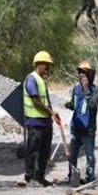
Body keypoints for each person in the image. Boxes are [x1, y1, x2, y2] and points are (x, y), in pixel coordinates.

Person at [22, 50, 61, 187]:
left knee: (44, 151)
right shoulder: (31, 79)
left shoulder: (41, 81)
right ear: (39, 64)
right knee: (33, 150)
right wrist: (50, 111)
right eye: (46, 65)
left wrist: (53, 114)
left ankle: (40, 177)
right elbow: (36, 101)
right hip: (35, 122)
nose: (48, 68)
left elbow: (45, 101)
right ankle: (31, 176)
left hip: (45, 122)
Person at [64, 60, 98, 186]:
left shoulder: (95, 91)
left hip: (88, 129)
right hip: (76, 128)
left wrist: (86, 90)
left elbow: (92, 106)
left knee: (90, 155)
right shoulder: (75, 89)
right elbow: (75, 105)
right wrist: (70, 105)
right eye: (79, 72)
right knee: (72, 155)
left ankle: (90, 178)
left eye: (83, 72)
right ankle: (72, 177)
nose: (81, 75)